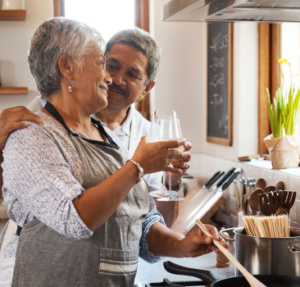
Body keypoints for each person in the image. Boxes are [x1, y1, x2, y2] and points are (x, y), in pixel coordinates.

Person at [0, 18, 226, 287]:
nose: (110, 78)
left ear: (147, 87)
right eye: (102, 63)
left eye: (132, 73)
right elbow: (73, 218)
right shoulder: (33, 132)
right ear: (67, 67)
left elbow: (140, 221)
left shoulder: (104, 135)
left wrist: (182, 244)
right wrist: (137, 167)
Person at [0, 27, 191, 227]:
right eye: (110, 65)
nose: (115, 79)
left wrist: (173, 182)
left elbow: (157, 224)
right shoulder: (43, 111)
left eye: (132, 74)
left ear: (147, 88)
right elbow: (15, 183)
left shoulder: (151, 136)